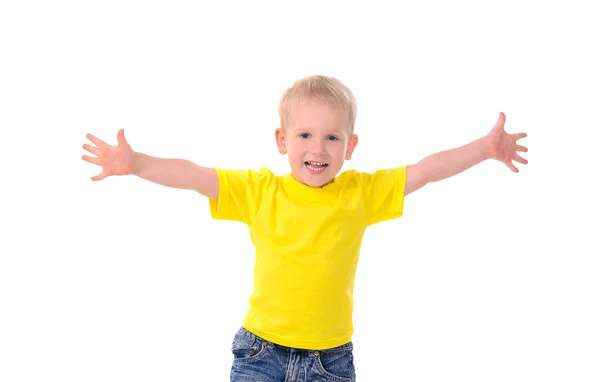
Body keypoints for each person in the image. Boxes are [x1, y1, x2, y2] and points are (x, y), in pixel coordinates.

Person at [82, 75, 528, 381]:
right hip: (261, 353)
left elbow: (426, 170)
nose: (318, 149)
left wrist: (485, 148)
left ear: (350, 146)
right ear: (282, 140)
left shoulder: (361, 193)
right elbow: (195, 174)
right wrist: (137, 164)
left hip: (331, 360)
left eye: (332, 138)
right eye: (305, 136)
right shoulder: (258, 191)